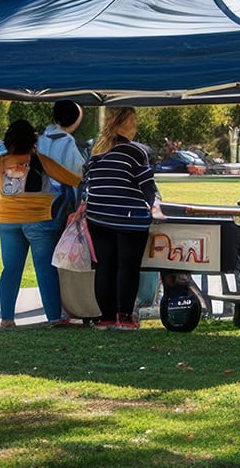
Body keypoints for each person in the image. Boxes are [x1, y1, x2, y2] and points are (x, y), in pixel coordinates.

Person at [0, 119, 83, 328]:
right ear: (33, 141)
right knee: (44, 269)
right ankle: (54, 318)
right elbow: (72, 178)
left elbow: (1, 188)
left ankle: (7, 319)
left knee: (11, 269)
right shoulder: (40, 160)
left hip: (8, 220)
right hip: (39, 220)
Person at [83, 107, 161, 330]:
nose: (136, 127)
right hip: (129, 217)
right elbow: (147, 187)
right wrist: (155, 207)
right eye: (134, 122)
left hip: (97, 216)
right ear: (126, 124)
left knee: (105, 266)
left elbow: (87, 183)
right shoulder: (135, 152)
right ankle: (125, 317)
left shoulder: (96, 152)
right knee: (128, 266)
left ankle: (106, 316)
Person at [38, 99, 86, 228]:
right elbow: (80, 175)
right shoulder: (68, 143)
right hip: (58, 208)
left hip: (36, 204)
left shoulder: (40, 140)